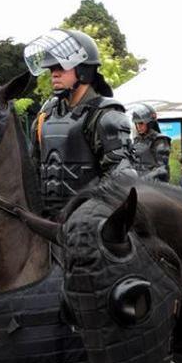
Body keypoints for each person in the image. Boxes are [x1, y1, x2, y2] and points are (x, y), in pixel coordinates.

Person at [23, 28, 134, 219]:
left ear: (84, 70)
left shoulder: (105, 115)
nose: (54, 74)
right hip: (46, 220)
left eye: (61, 67)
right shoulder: (45, 115)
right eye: (51, 69)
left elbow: (122, 178)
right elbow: (32, 171)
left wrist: (89, 217)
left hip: (88, 223)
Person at [130, 103, 171, 182]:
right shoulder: (136, 140)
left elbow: (162, 169)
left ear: (149, 123)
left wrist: (145, 178)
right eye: (136, 123)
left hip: (153, 185)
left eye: (141, 123)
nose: (138, 126)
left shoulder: (159, 140)